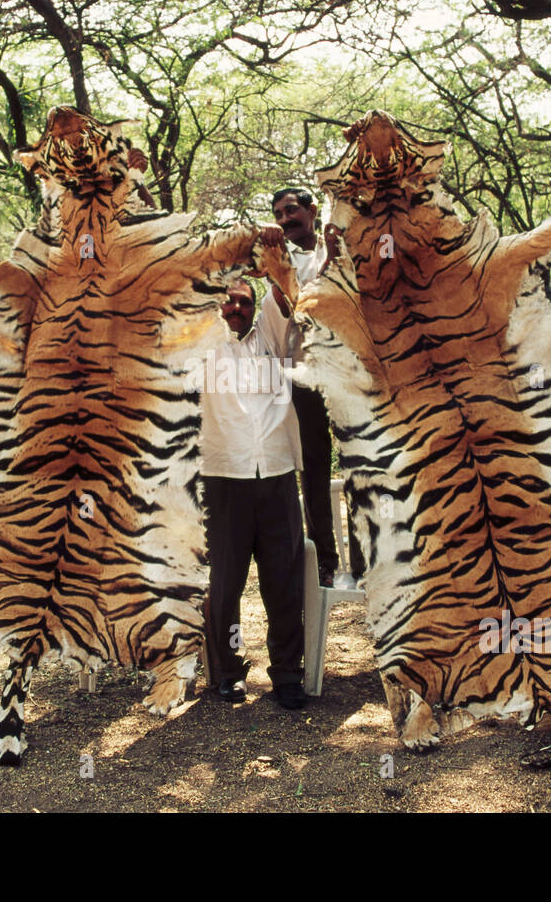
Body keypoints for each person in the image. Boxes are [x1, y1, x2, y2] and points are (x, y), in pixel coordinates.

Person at [200, 236, 308, 710]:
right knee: (225, 585)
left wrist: (271, 256)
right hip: (224, 476)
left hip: (279, 472)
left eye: (244, 300)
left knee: (283, 580)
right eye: (229, 301)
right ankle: (229, 670)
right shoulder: (203, 341)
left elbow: (286, 294)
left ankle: (286, 673)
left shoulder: (271, 332)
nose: (236, 308)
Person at [271, 187, 343, 588]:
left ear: (312, 210)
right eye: (279, 213)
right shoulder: (280, 260)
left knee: (358, 463)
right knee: (314, 469)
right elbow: (293, 306)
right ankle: (325, 562)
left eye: (292, 210)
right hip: (303, 374)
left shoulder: (339, 243)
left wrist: (334, 252)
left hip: (347, 371)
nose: (285, 219)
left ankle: (369, 557)